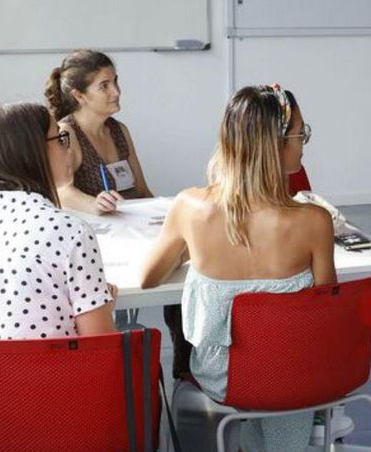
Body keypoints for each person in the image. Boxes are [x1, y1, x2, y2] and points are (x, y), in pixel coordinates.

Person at [139, 85, 334, 452]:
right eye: (300, 134)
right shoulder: (314, 220)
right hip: (290, 377)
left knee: (267, 375)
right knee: (291, 367)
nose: (304, 143)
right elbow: (324, 311)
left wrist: (193, 249)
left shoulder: (189, 206)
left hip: (223, 377)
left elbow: (148, 278)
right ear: (275, 144)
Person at [0, 102, 117, 421]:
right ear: (34, 151)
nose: (69, 151)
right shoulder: (70, 230)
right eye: (61, 140)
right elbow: (101, 347)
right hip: (53, 395)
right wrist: (101, 303)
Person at [44, 49, 152, 216]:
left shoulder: (120, 130)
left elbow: (142, 191)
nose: (116, 91)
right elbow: (60, 191)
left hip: (133, 227)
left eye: (115, 81)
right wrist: (95, 204)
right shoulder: (66, 133)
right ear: (79, 95)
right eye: (104, 86)